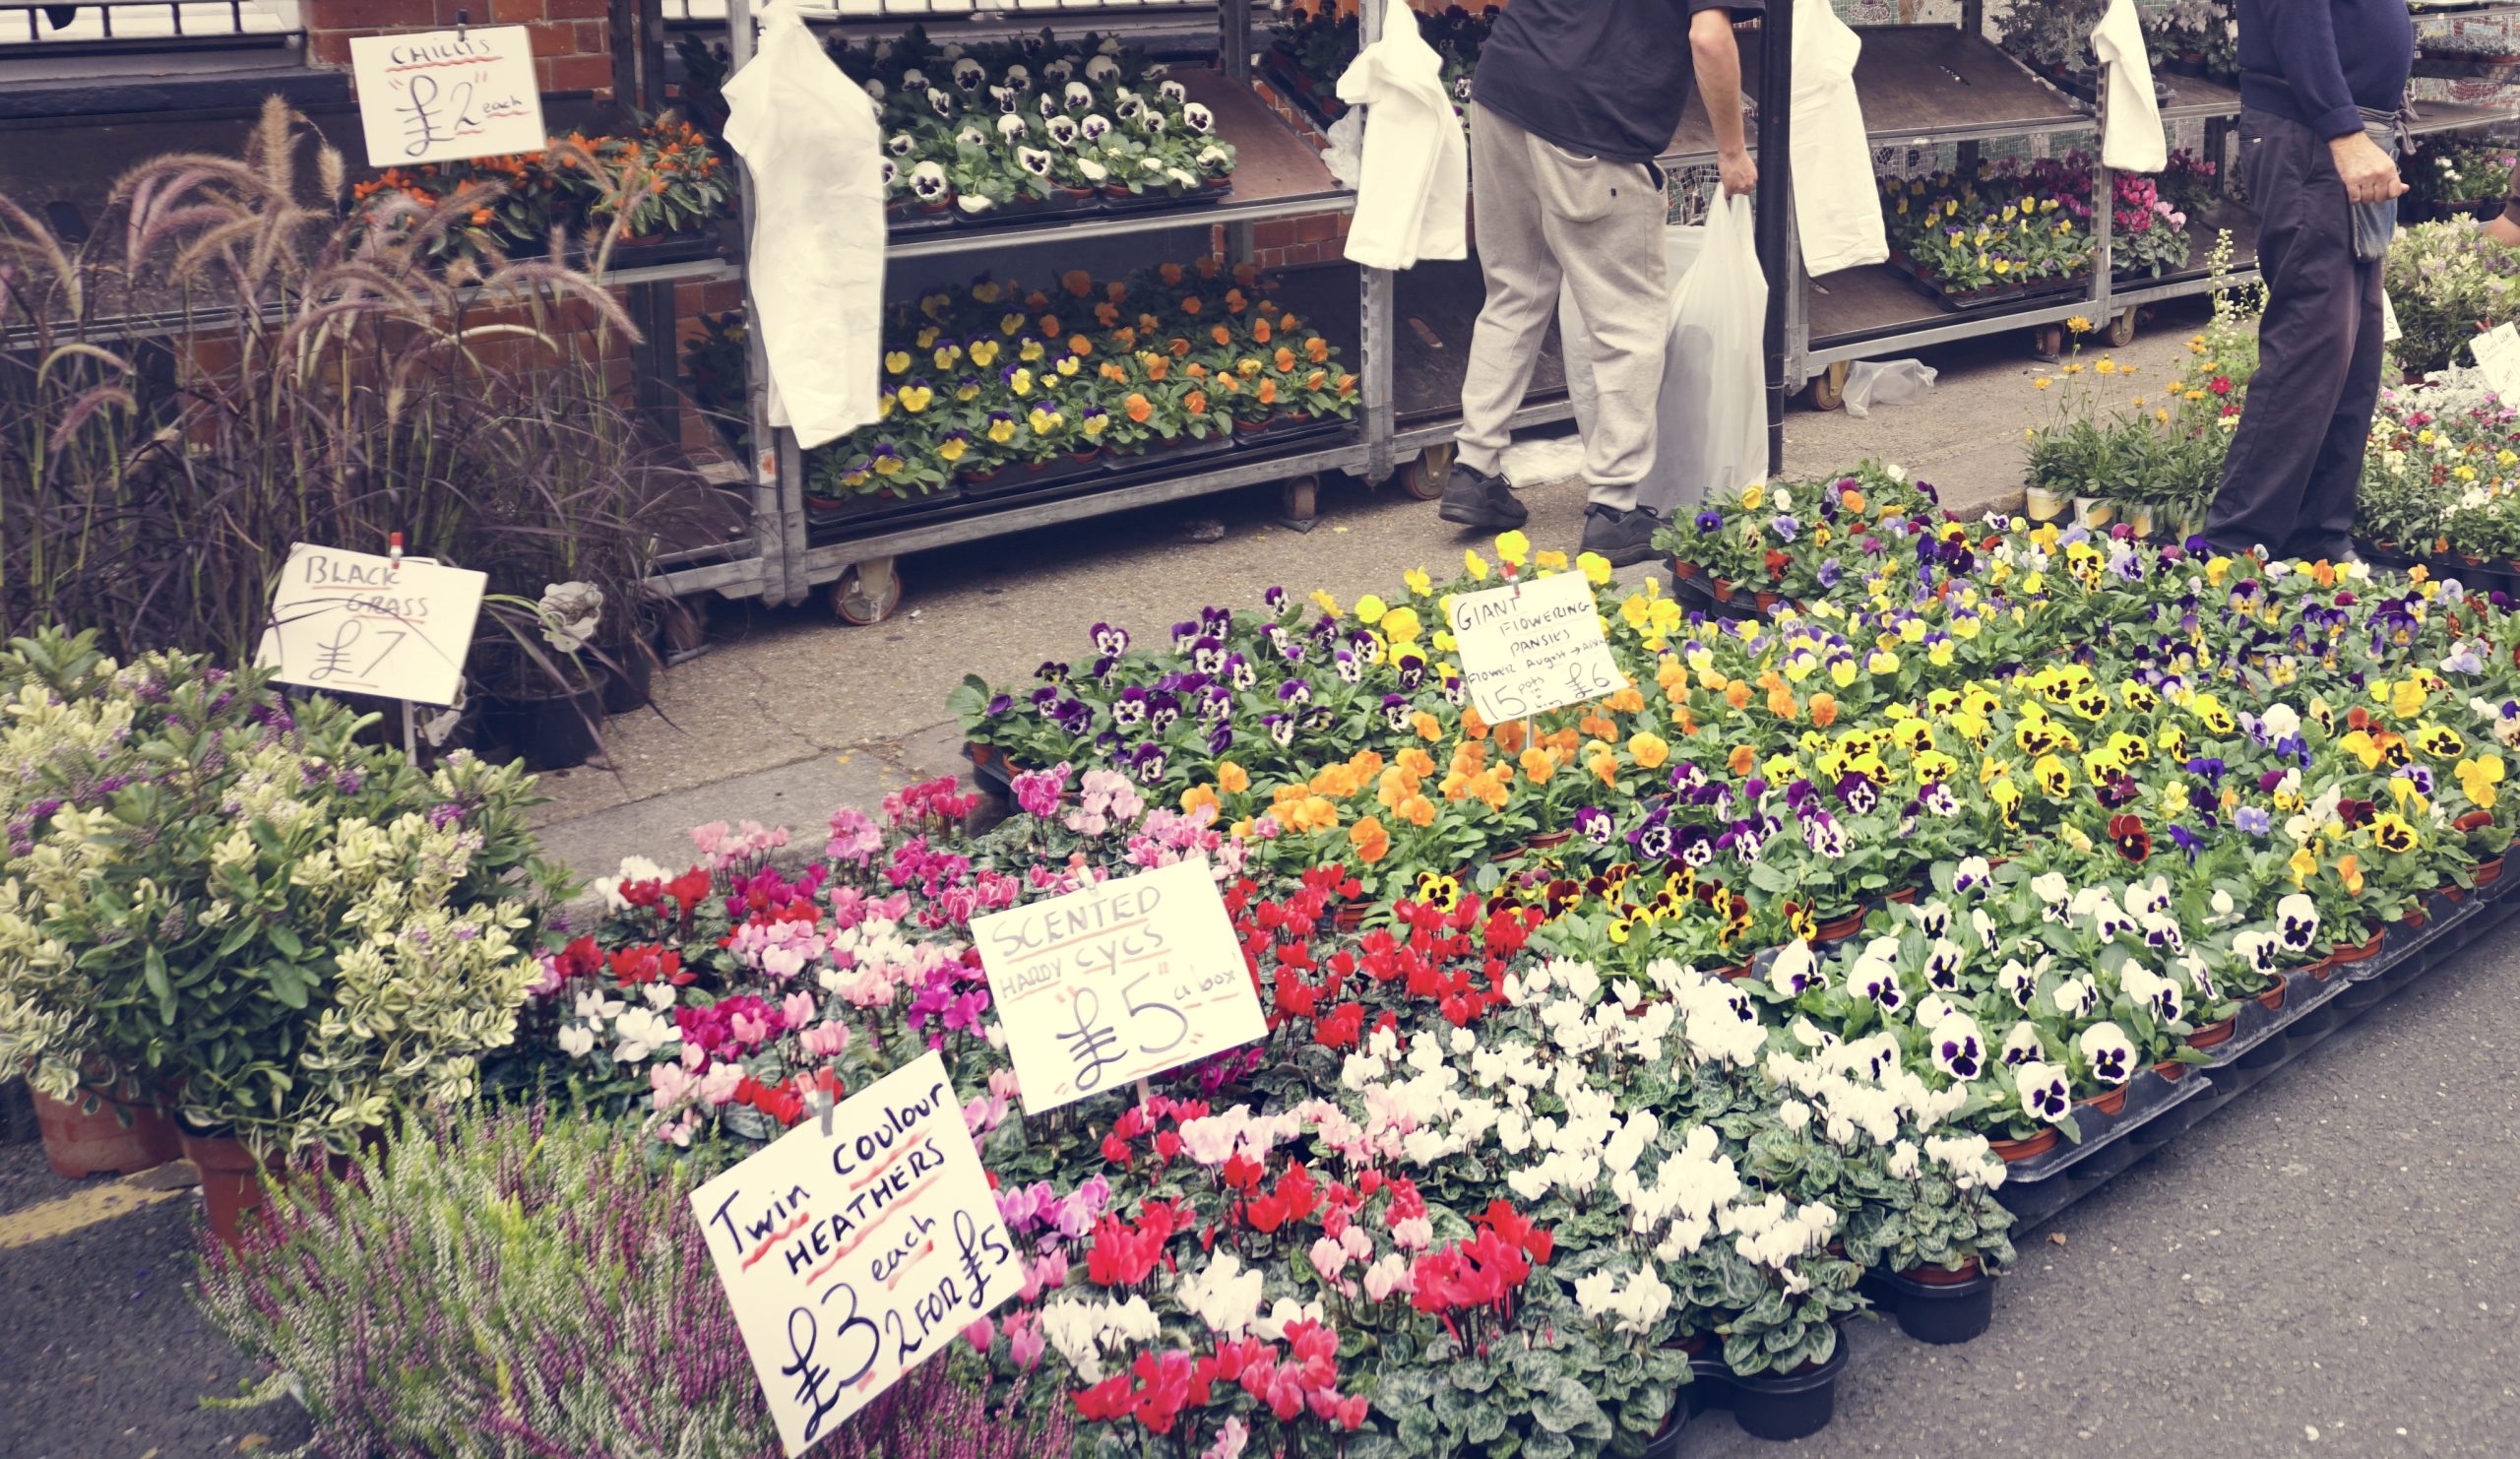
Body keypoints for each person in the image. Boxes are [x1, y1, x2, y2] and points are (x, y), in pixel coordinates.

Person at [1436, 1, 1760, 567]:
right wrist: (1731, 152)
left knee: (1513, 290)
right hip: (1592, 125)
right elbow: (1710, 37)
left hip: (1504, 92)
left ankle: (1473, 469)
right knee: (1627, 320)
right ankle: (1614, 509)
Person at [2206, 0, 2413, 563]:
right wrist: (2342, 130)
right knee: (2311, 342)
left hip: (2343, 134)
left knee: (2353, 351)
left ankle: (2316, 540)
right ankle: (2231, 551)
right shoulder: (2331, 132)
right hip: (2314, 137)